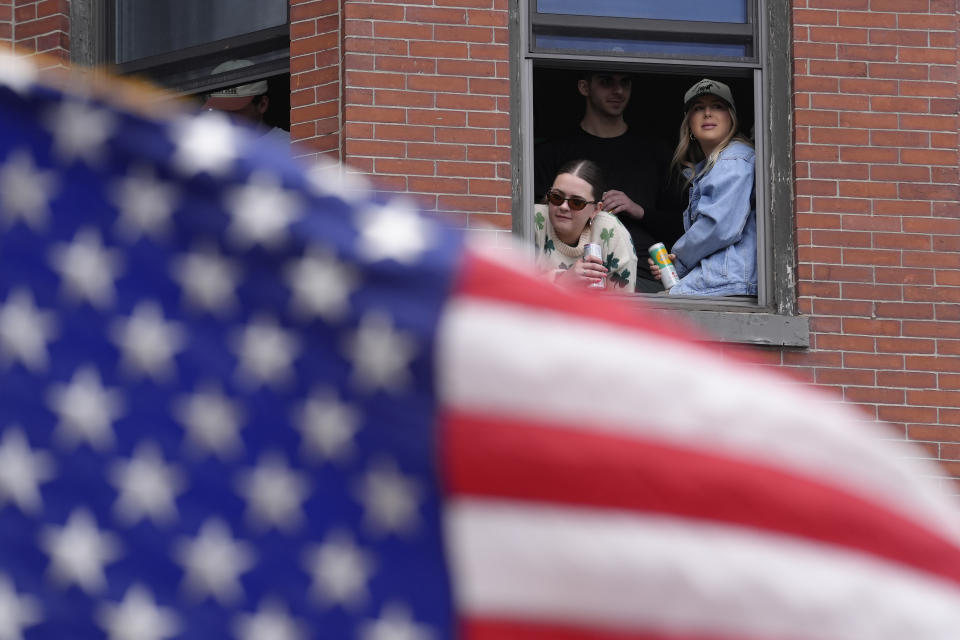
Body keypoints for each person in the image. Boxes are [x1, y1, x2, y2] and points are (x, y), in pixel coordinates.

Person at [534, 71, 681, 293]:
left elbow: (682, 224)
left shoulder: (655, 152)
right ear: (584, 87)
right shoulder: (554, 152)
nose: (618, 91)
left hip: (643, 278)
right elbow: (532, 219)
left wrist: (639, 211)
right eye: (606, 82)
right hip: (567, 274)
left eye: (625, 82)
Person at [649, 78, 758, 296]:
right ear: (689, 124)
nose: (708, 113)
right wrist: (673, 263)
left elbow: (718, 227)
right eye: (699, 108)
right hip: (719, 279)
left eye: (718, 106)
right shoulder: (709, 168)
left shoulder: (734, 159)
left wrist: (677, 261)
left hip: (727, 281)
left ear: (732, 118)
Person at [534, 159, 637, 291]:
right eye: (556, 197)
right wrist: (561, 281)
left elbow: (623, 306)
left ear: (596, 209)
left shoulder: (611, 232)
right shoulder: (530, 219)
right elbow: (511, 293)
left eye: (576, 202)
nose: (564, 207)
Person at [203, 59, 290, 145]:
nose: (226, 119)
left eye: (234, 111)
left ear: (262, 105)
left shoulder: (290, 149)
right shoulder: (208, 151)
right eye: (220, 111)